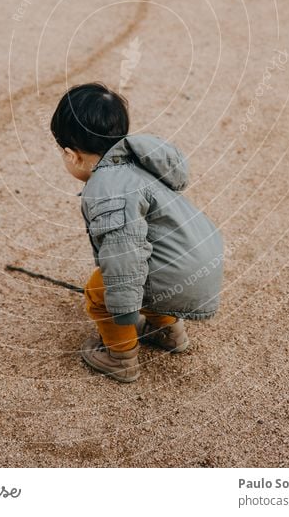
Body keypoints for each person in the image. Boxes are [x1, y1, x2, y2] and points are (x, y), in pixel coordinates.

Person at [51, 82, 224, 383]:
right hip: (198, 264)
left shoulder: (107, 191)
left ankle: (121, 358)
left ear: (71, 155)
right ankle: (169, 333)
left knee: (98, 291)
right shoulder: (137, 161)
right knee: (153, 269)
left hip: (177, 276)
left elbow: (124, 257)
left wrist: (125, 313)